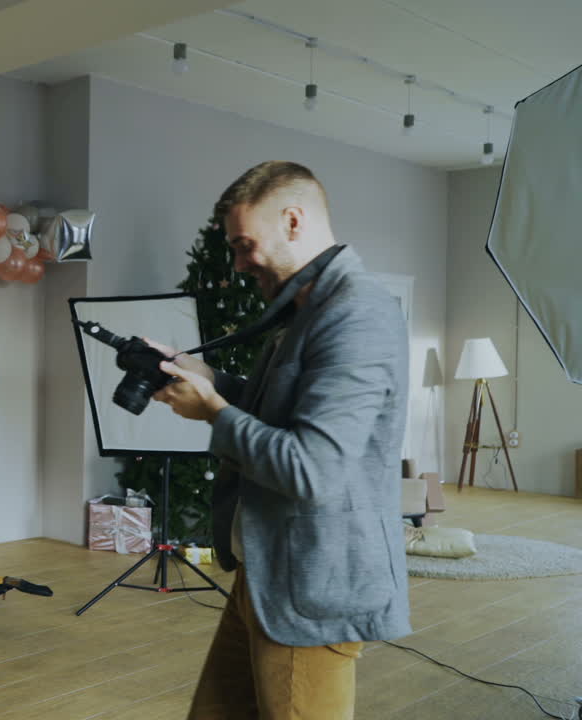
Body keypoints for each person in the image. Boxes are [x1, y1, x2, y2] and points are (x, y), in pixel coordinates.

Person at [150, 162, 410, 719]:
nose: (241, 264)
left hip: (312, 590)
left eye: (245, 245)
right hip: (266, 574)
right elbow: (285, 413)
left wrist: (213, 411)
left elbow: (311, 468)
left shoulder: (356, 312)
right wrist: (209, 379)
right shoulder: (309, 308)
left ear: (293, 221)